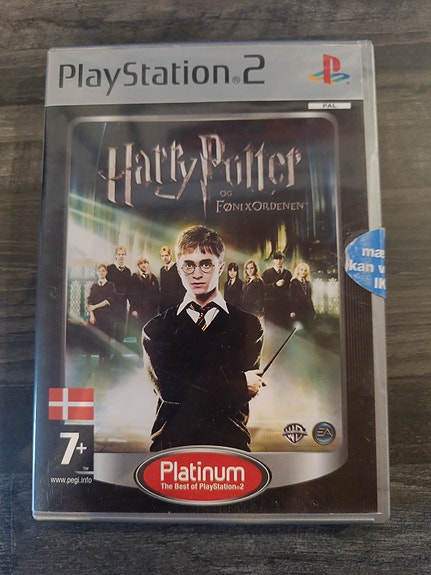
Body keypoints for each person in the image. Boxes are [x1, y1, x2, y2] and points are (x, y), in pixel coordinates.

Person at [143, 225, 264, 452]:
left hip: (230, 443)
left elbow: (184, 386)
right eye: (188, 265)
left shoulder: (249, 325)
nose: (196, 274)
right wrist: (238, 384)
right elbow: (170, 389)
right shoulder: (156, 329)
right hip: (172, 443)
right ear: (178, 269)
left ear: (221, 267)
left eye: (206, 264)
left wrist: (189, 377)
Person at [128, 257, 160, 361]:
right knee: (139, 334)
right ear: (138, 266)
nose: (143, 265)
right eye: (141, 264)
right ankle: (140, 357)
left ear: (148, 264)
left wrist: (155, 310)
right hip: (139, 312)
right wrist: (134, 309)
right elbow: (131, 294)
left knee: (150, 334)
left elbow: (157, 295)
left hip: (150, 312)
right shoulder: (134, 278)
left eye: (145, 263)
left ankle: (149, 358)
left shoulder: (153, 277)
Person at [87, 264, 116, 364]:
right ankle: (97, 359)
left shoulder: (110, 285)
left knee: (106, 338)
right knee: (95, 337)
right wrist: (91, 315)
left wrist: (95, 307)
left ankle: (105, 360)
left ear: (106, 272)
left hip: (106, 316)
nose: (101, 273)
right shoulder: (93, 286)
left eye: (103, 271)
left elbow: (109, 300)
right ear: (97, 273)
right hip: (95, 317)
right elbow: (89, 301)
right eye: (100, 271)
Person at [106, 246, 132, 351]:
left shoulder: (127, 271)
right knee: (109, 328)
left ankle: (118, 355)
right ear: (116, 256)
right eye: (119, 254)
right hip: (111, 304)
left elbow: (129, 289)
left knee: (120, 330)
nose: (121, 256)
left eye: (123, 254)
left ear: (125, 256)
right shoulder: (109, 269)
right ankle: (106, 355)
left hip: (122, 304)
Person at [261, 252, 292, 327]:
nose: (278, 261)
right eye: (276, 259)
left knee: (284, 328)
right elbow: (262, 288)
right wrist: (275, 285)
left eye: (280, 259)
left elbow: (291, 290)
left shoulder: (288, 274)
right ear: (273, 260)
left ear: (283, 259)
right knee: (272, 329)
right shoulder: (267, 273)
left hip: (284, 306)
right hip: (271, 306)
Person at [159, 245, 186, 313]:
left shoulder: (177, 268)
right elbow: (162, 289)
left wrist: (180, 303)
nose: (164, 258)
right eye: (162, 256)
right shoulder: (162, 270)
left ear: (170, 256)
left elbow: (183, 287)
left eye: (166, 255)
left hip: (176, 304)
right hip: (165, 304)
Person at [290, 262, 315, 330]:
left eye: (305, 270)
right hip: (298, 310)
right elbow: (292, 297)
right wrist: (292, 311)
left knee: (309, 329)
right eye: (301, 270)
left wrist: (312, 310)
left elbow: (309, 298)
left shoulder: (308, 283)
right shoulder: (293, 282)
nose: (303, 272)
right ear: (298, 271)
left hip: (308, 310)